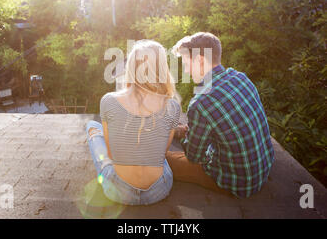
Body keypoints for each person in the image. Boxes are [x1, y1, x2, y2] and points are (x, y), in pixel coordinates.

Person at [167, 32, 275, 198]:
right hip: (263, 167)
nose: (186, 71)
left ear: (200, 61)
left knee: (163, 159)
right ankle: (183, 131)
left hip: (237, 182)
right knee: (196, 131)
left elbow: (194, 156)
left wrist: (186, 137)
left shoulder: (201, 102)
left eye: (187, 64)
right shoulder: (240, 77)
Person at [86, 40, 181, 205]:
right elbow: (162, 153)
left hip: (118, 191)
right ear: (162, 69)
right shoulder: (172, 106)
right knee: (158, 154)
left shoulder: (108, 100)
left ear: (130, 67)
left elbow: (111, 151)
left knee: (93, 127)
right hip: (158, 190)